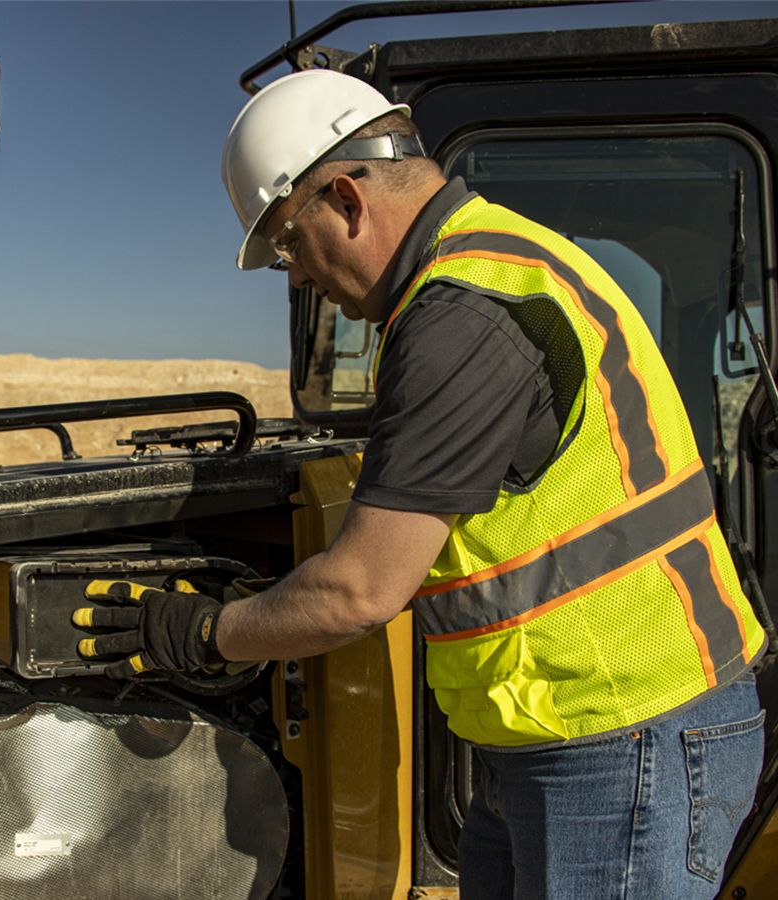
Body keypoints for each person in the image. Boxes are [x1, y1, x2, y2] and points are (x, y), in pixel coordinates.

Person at [72, 69, 767, 898]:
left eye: (289, 242)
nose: (295, 274)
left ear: (347, 198)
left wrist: (201, 632)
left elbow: (364, 589)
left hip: (620, 741)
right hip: (559, 735)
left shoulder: (461, 312)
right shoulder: (496, 265)